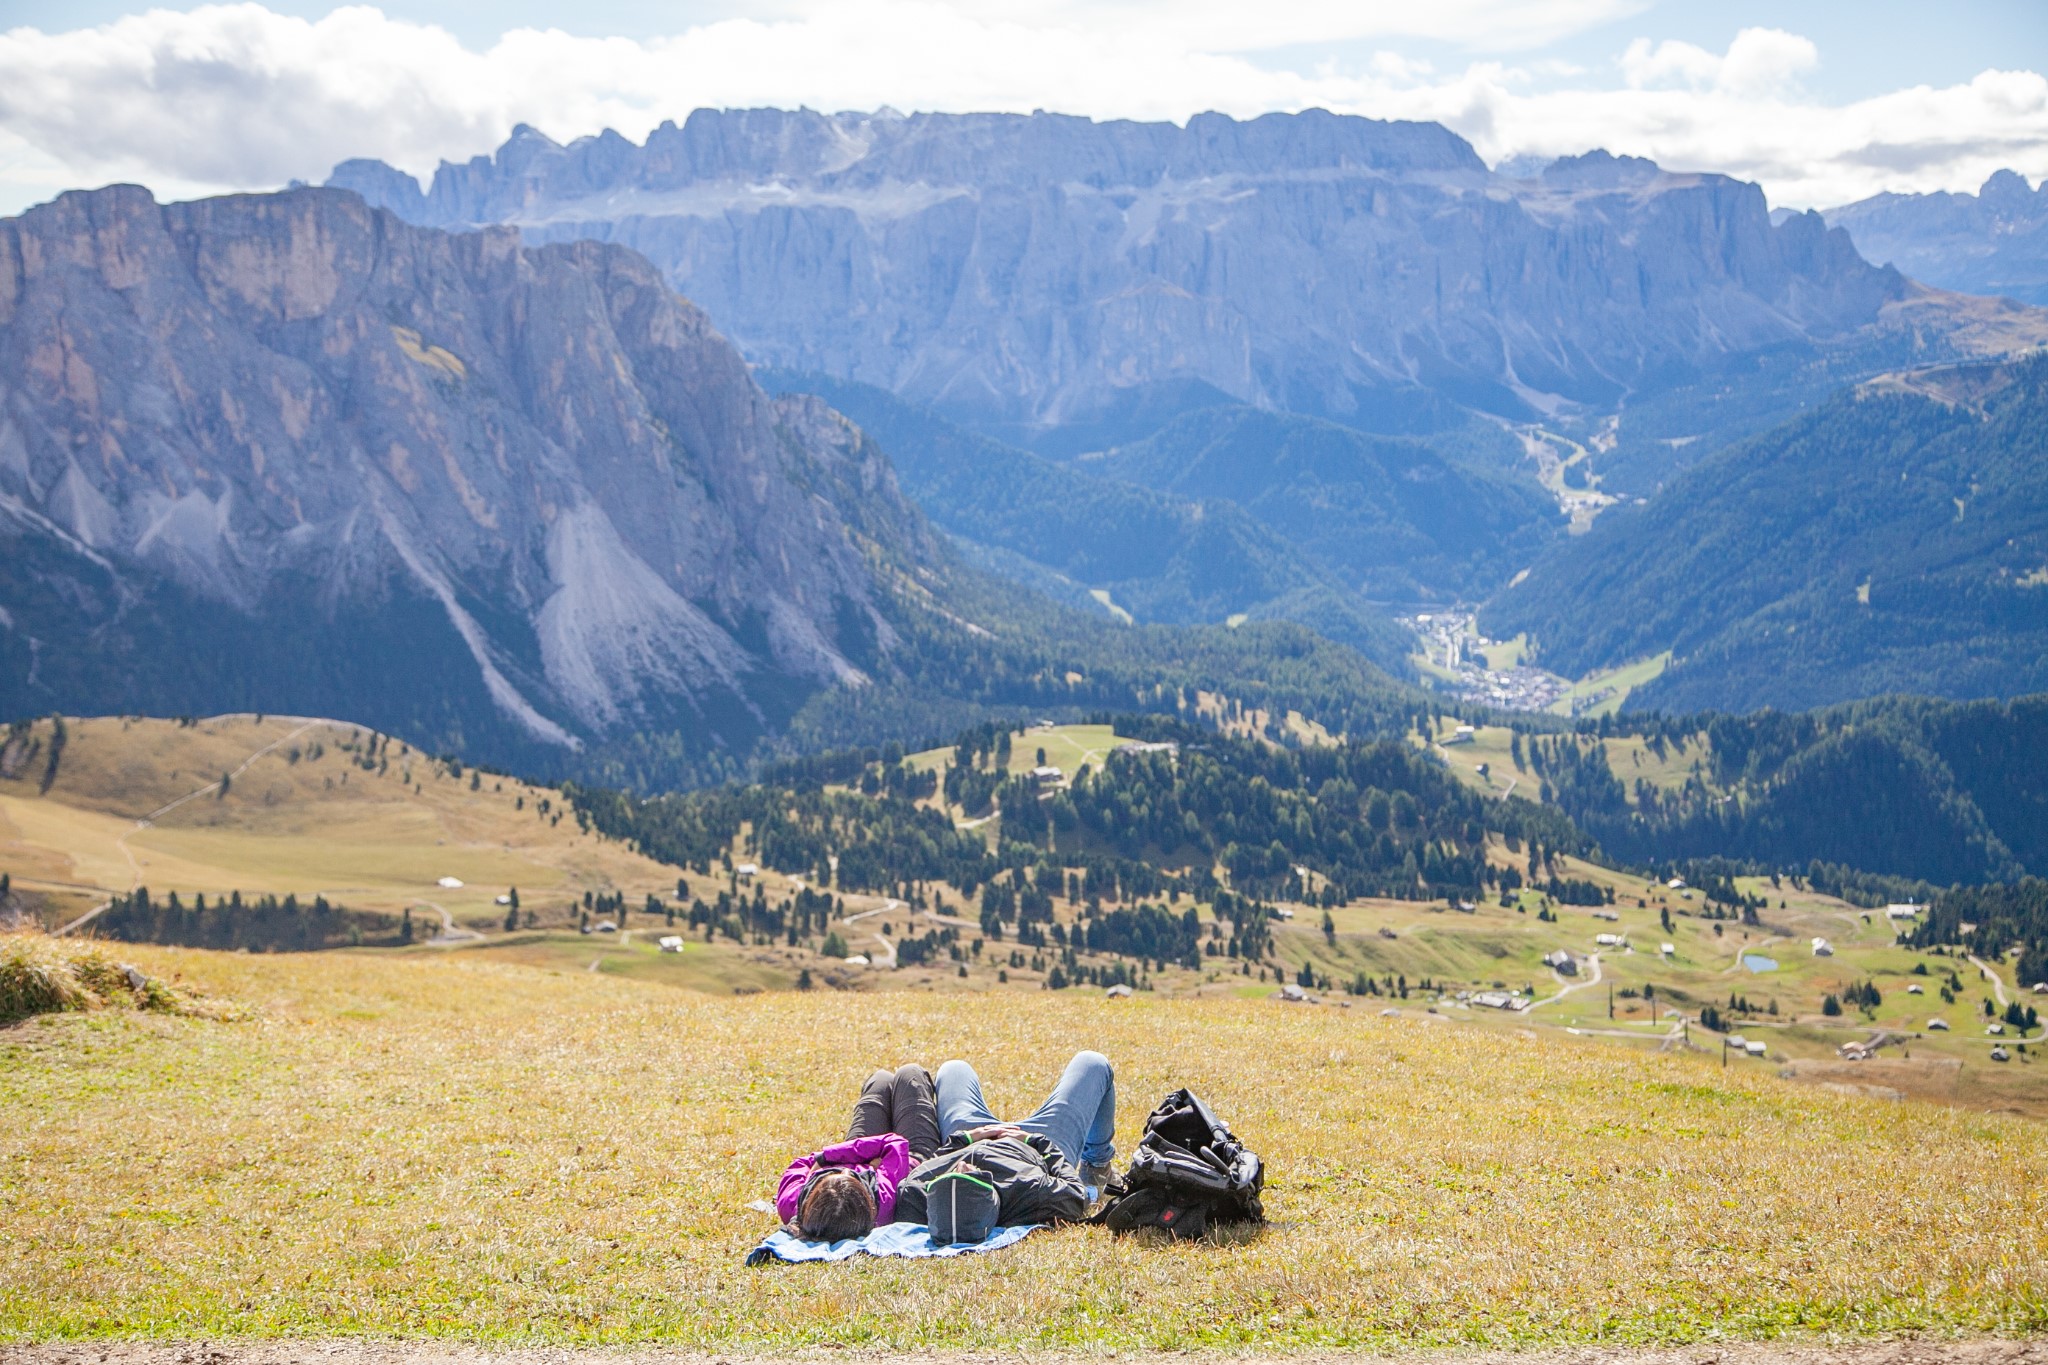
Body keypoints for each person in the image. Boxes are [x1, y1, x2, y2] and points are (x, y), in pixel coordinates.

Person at [892, 1050, 1117, 1236]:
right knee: (1093, 1063)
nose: (960, 1166)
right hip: (1037, 1144)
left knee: (953, 1068)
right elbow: (1076, 1192)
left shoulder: (916, 1197)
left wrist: (969, 1137)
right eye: (969, 1174)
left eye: (952, 1175)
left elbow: (925, 1168)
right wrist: (1034, 1141)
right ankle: (1097, 1166)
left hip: (973, 1133)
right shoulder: (1032, 1191)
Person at [774, 1063, 938, 1243]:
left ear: (812, 1196)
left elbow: (800, 1163)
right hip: (909, 1158)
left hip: (869, 1158)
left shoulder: (791, 1202)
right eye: (853, 1177)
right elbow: (896, 1144)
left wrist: (830, 1159)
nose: (847, 1170)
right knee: (910, 1075)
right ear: (866, 1199)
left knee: (880, 1080)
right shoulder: (882, 1200)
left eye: (832, 1174)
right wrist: (828, 1158)